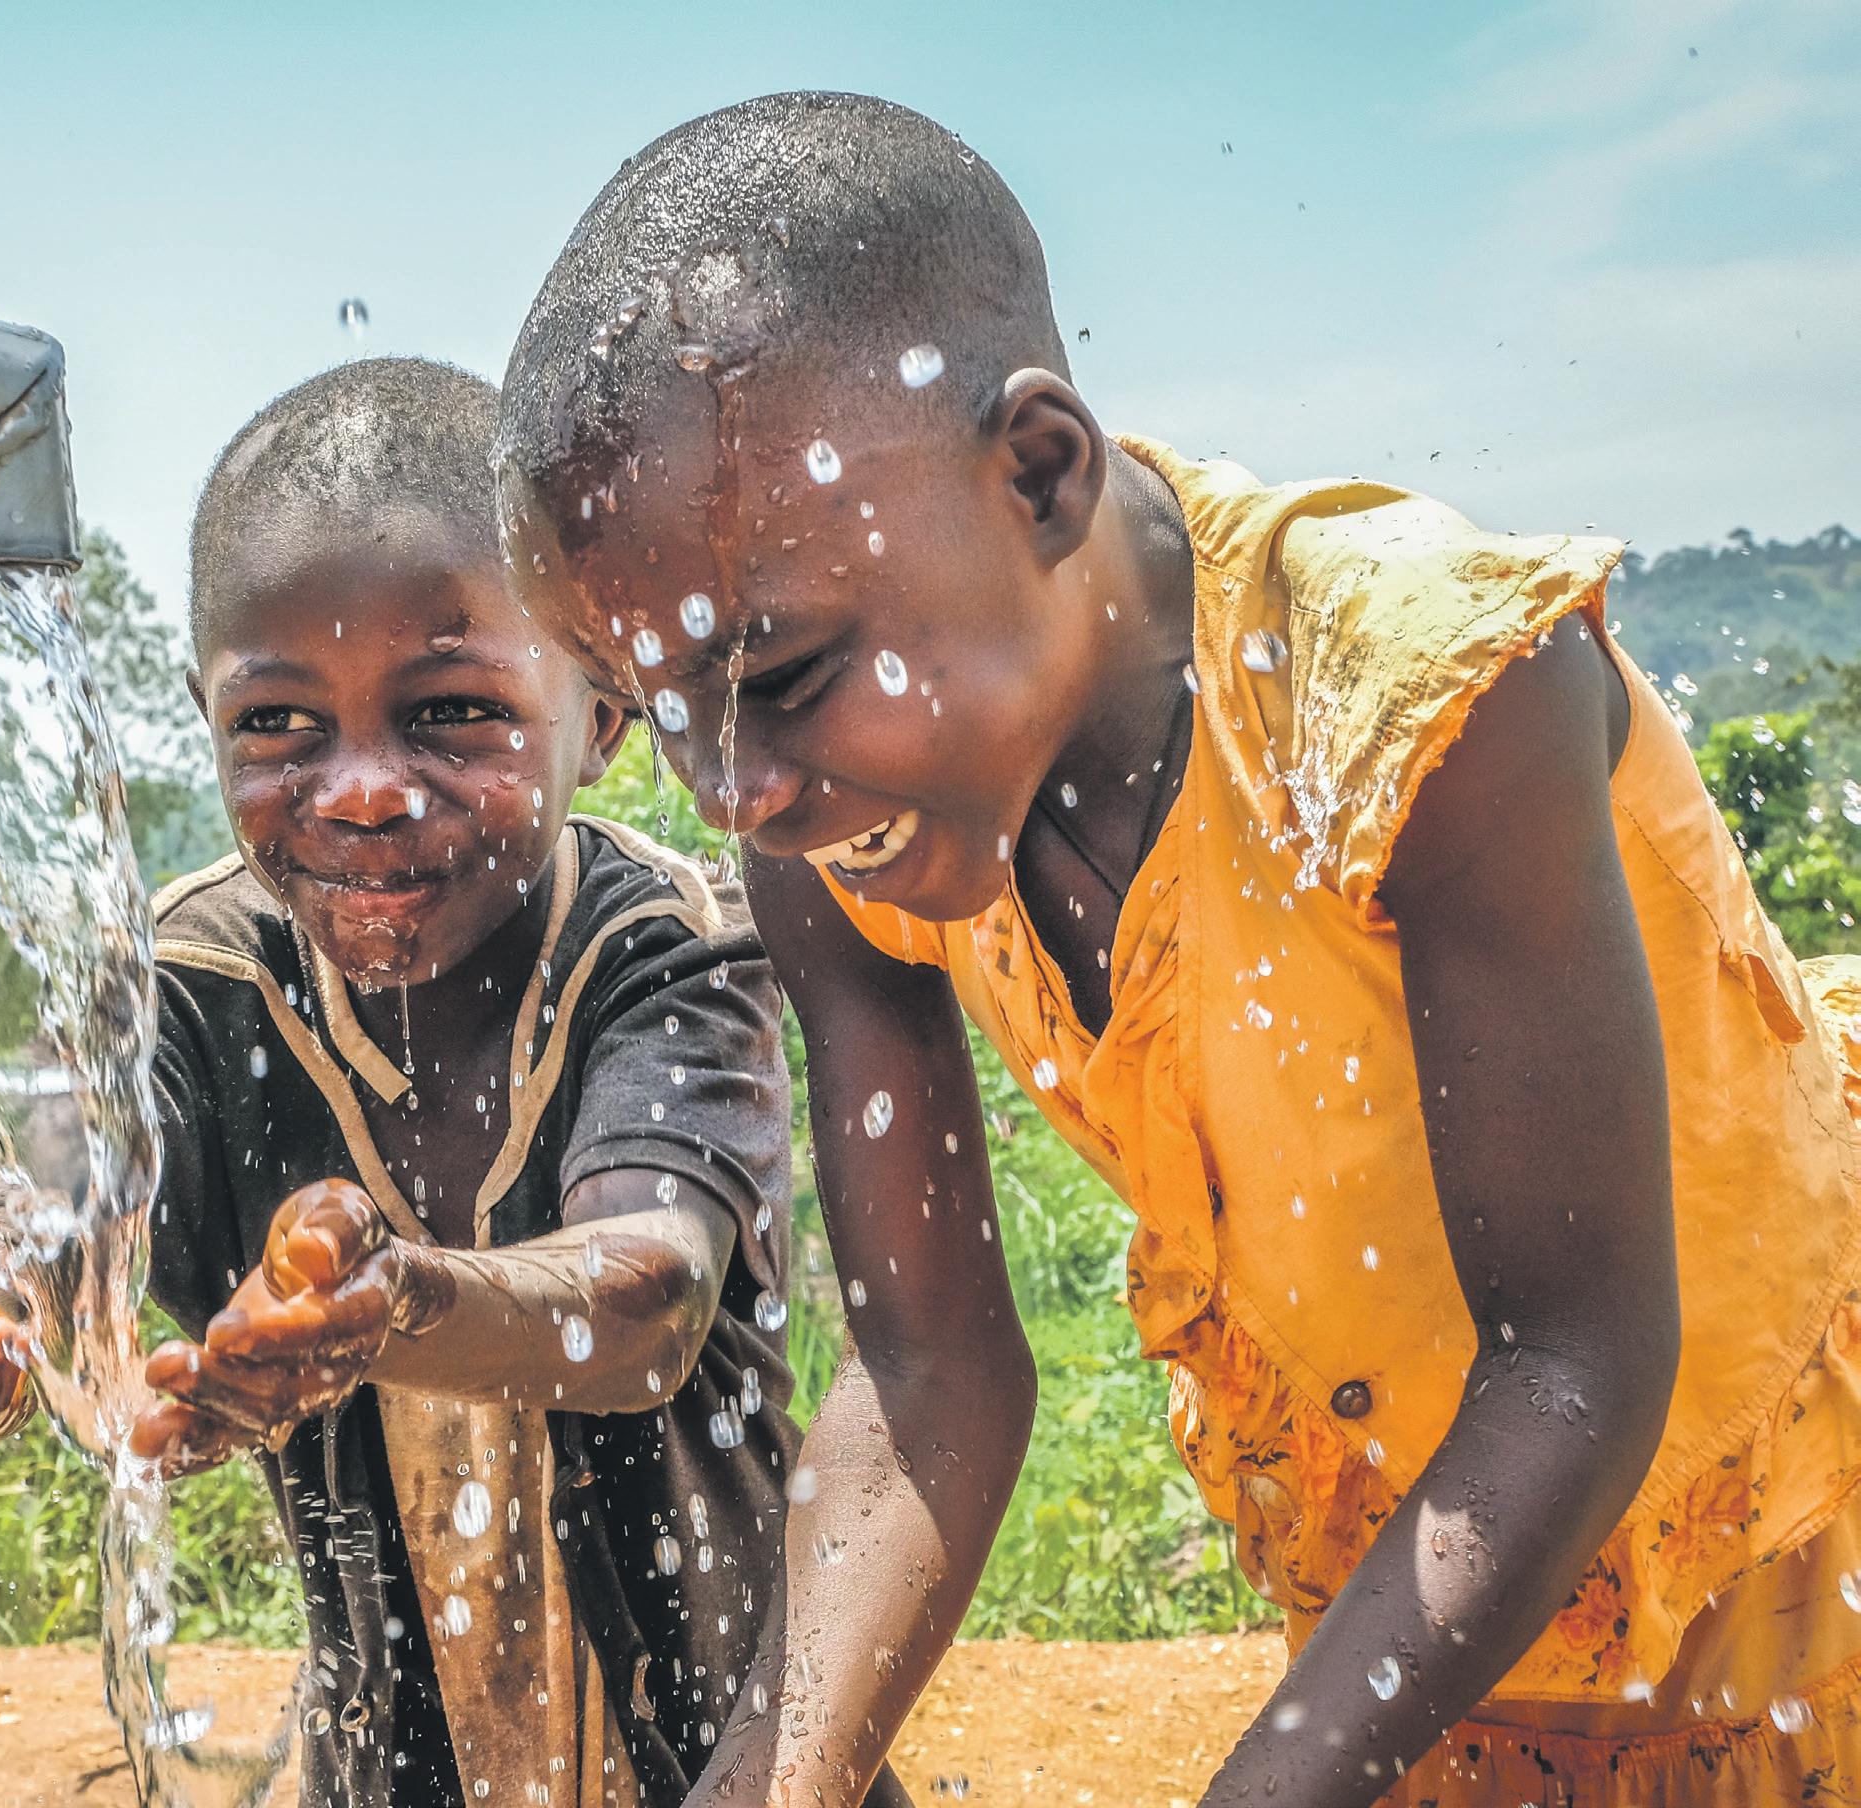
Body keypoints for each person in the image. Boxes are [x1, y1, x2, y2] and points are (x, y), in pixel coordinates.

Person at [488, 90, 1861, 1808]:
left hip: (1788, 1556)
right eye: (657, 708)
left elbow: (1575, 1368)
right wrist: (768, 1786)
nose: (732, 789)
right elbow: (928, 1376)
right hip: (1438, 1610)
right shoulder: (836, 830)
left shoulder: (1418, 707)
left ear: (1039, 475)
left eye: (781, 675)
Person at [0, 357, 849, 1808]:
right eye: (278, 723)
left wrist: (395, 1306)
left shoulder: (663, 949)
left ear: (600, 709)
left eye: (453, 709)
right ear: (206, 715)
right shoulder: (190, 987)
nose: (359, 789)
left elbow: (646, 1299)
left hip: (737, 1770)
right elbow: (60, 1200)